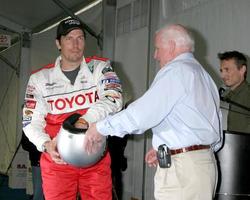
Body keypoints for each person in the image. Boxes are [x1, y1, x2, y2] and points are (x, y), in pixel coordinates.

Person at [83, 24, 222, 200]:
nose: (155, 55)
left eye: (157, 49)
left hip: (183, 173)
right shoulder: (203, 75)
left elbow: (141, 115)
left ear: (171, 46)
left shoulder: (176, 71)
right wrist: (166, 147)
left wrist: (101, 128)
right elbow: (198, 122)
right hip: (202, 166)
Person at [22, 17, 123, 200]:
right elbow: (30, 121)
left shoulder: (99, 67)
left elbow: (114, 98)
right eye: (69, 38)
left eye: (80, 38)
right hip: (57, 159)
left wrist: (84, 120)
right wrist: (45, 145)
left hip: (95, 157)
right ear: (58, 43)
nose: (76, 44)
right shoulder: (39, 79)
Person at [218, 51, 250, 133]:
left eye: (227, 70)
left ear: (242, 70)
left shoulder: (247, 94)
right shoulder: (224, 96)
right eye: (221, 71)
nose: (222, 75)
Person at [21, 131, 44, 200]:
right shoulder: (29, 124)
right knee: (38, 193)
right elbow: (25, 144)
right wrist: (43, 147)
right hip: (37, 162)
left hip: (54, 163)